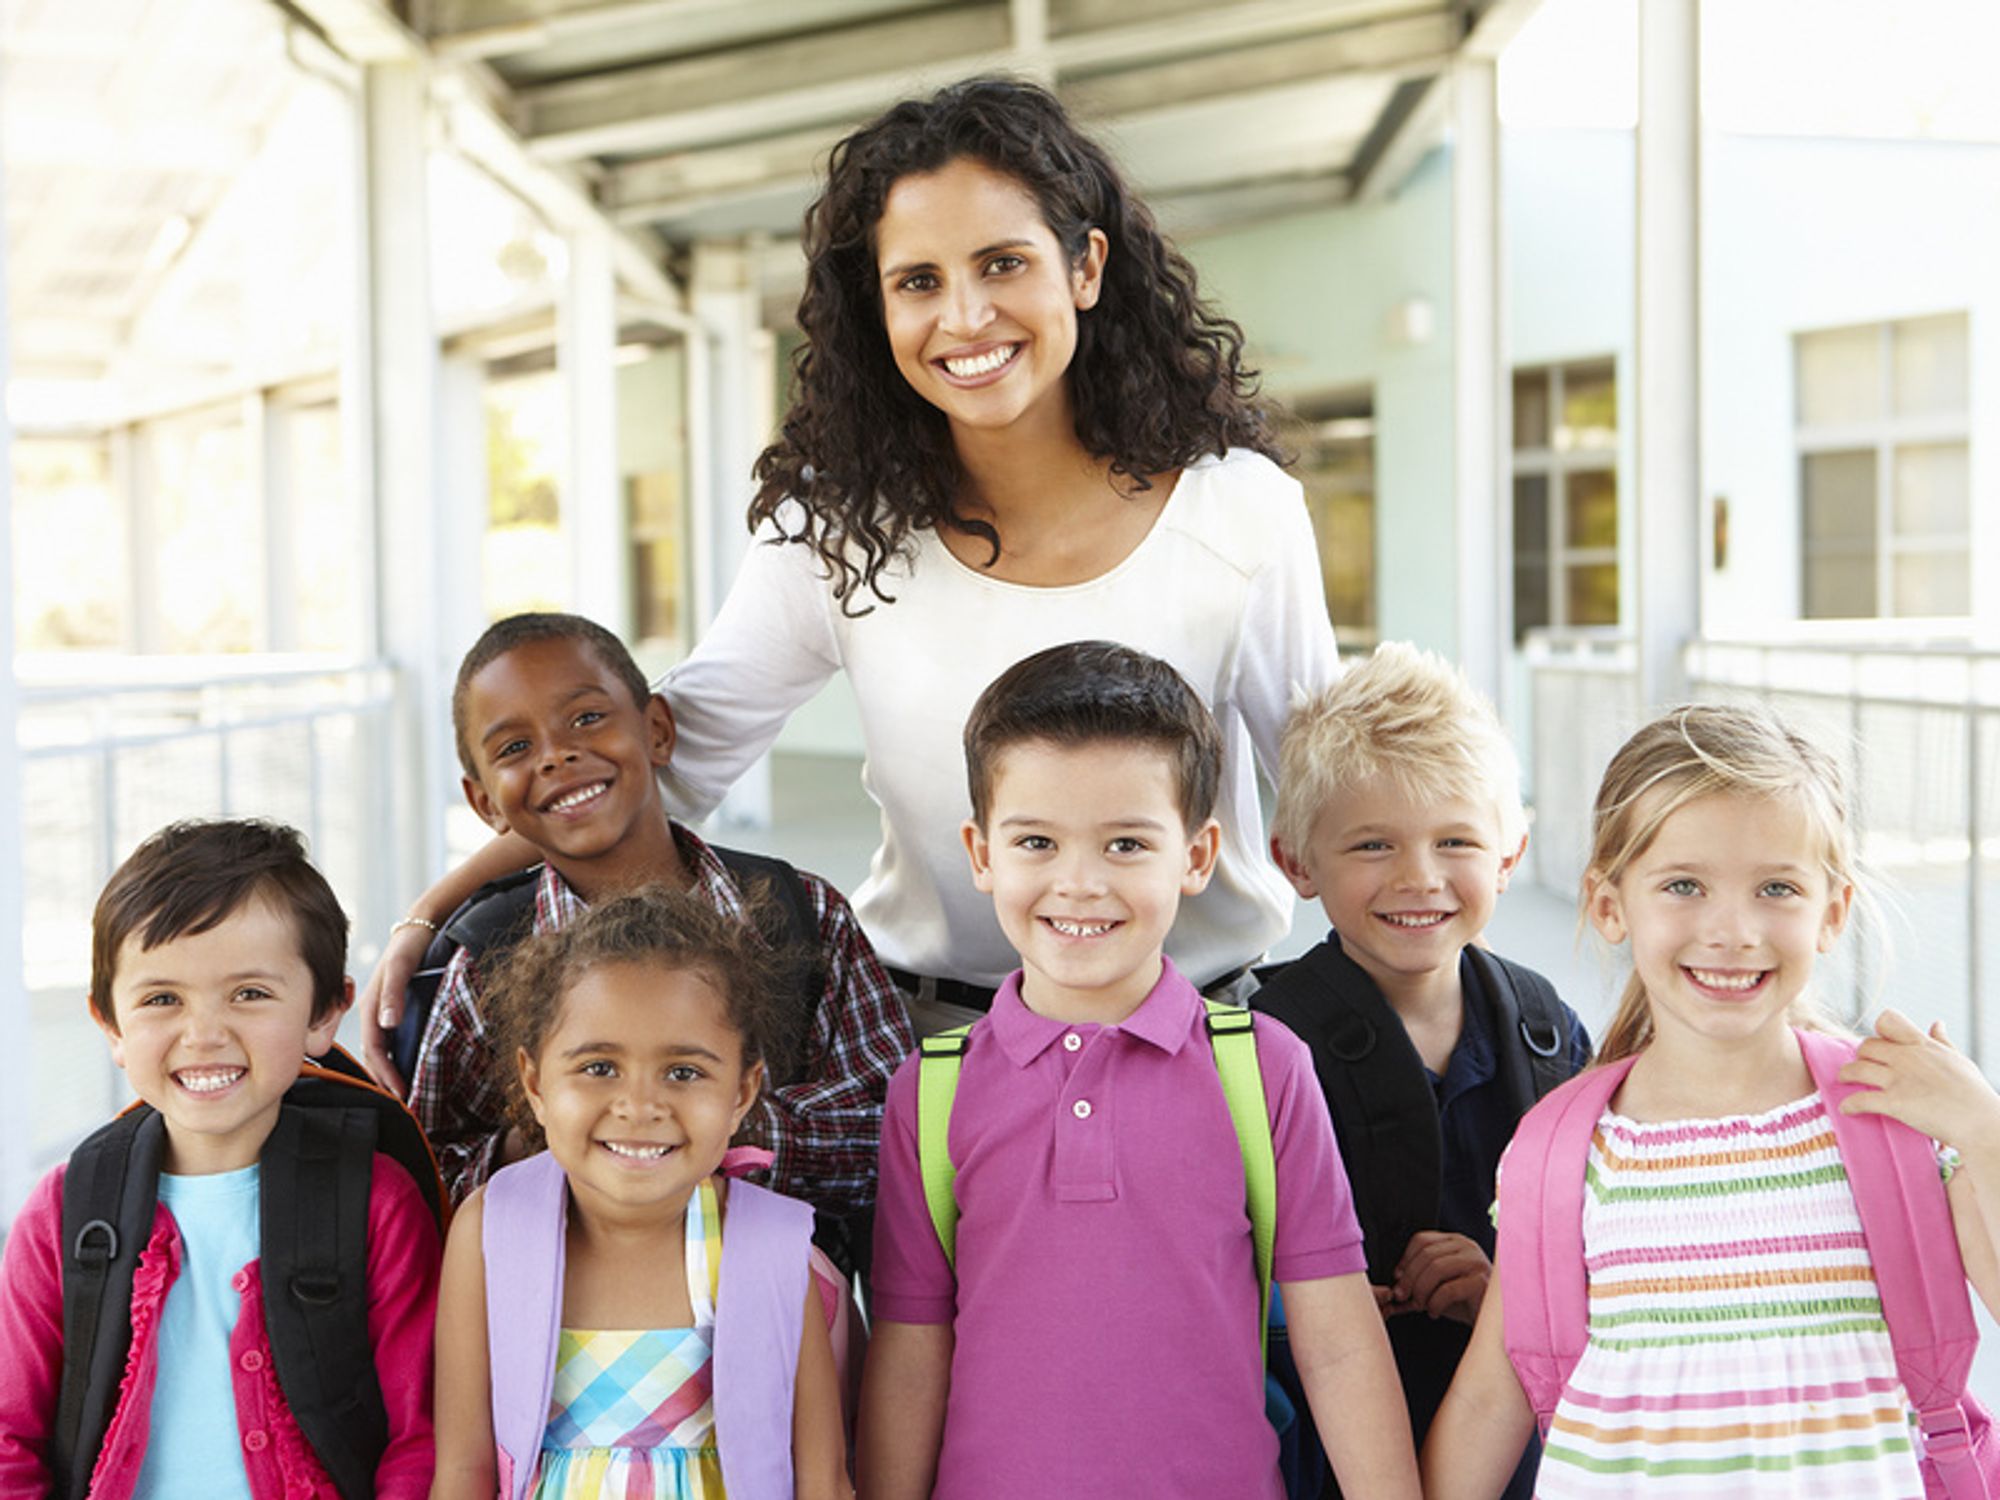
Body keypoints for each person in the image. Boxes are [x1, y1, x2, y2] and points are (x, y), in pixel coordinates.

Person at [358, 75, 1337, 1082]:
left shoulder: (1233, 512)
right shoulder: (834, 533)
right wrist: (431, 916)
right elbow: (653, 773)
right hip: (937, 1049)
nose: (964, 316)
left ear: (1084, 265)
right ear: (875, 307)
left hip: (1196, 1040)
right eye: (917, 281)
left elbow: (1329, 806)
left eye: (1002, 262)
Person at [857, 642, 1419, 1499]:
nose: (1078, 883)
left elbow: (1337, 1336)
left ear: (1195, 857)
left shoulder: (1263, 1068)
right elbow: (909, 1344)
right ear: (981, 853)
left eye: (1126, 843)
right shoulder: (931, 1091)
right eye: (1036, 842)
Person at [1422, 704, 2000, 1498]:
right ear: (1609, 904)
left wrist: (1985, 1132)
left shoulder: (1894, 1119)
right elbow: (1493, 1396)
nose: (1733, 930)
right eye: (1685, 886)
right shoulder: (1563, 1151)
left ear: (1832, 912)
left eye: (1776, 888)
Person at [407, 612, 910, 1215]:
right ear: (485, 801)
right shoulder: (483, 963)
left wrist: (717, 1123)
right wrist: (553, 1135)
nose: (557, 755)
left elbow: (893, 1135)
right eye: (516, 747)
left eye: (588, 718)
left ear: (657, 731)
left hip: (785, 1300)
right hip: (565, 1307)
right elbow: (428, 1180)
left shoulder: (805, 915)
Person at [0, 819, 440, 1498]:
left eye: (250, 994)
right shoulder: (66, 1210)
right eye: (162, 999)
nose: (204, 1034)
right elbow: (11, 1437)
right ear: (111, 1025)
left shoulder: (374, 1202)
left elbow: (422, 1436)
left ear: (324, 1014)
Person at [1251, 642, 1589, 1498]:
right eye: (1372, 844)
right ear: (1296, 861)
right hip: (1317, 1448)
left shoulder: (1546, 1030)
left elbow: (1604, 1254)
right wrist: (1311, 1307)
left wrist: (1499, 1288)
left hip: (1515, 1446)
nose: (1420, 877)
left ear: (1509, 856)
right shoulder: (1255, 1045)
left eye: (1457, 840)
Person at [431, 886, 850, 1500]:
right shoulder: (492, 1229)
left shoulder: (770, 1248)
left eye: (684, 1073)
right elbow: (463, 1471)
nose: (640, 1107)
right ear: (535, 1082)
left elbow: (824, 1481)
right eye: (599, 1067)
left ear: (741, 1092)